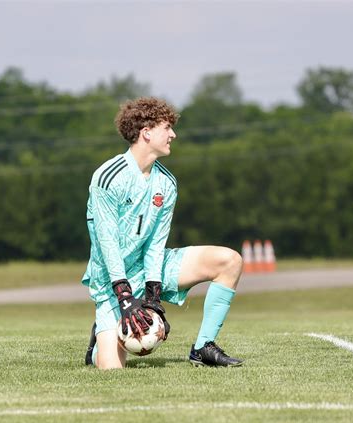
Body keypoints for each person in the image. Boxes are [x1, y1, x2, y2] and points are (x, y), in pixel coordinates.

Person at [82, 97, 243, 369]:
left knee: (230, 260)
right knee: (110, 369)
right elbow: (106, 241)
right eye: (167, 127)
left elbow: (156, 244)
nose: (173, 134)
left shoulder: (166, 183)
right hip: (112, 279)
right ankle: (100, 343)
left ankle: (203, 347)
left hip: (149, 268)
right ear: (146, 132)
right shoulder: (108, 176)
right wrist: (124, 295)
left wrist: (153, 296)